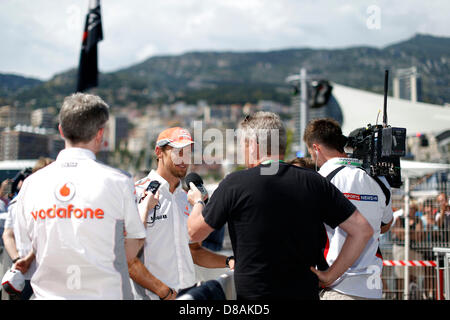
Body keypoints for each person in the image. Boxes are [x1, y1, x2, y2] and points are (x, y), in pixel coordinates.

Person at [187, 111, 374, 300]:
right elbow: (362, 230)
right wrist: (330, 276)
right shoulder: (315, 182)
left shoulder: (235, 184)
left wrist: (198, 202)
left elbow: (195, 232)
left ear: (253, 145)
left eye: (243, 145)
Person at [12, 93, 146, 299]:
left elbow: (25, 252)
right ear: (100, 134)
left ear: (61, 130)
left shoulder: (30, 185)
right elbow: (132, 247)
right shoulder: (119, 182)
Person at [129, 127, 234, 300]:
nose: (184, 159)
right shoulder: (137, 193)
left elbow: (195, 252)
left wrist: (229, 261)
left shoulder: (187, 199)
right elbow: (129, 258)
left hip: (188, 295)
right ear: (159, 152)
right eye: (178, 152)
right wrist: (164, 292)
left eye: (188, 152)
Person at [303, 118, 393, 300]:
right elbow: (385, 225)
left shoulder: (319, 181)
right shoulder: (380, 180)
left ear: (316, 148)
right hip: (372, 288)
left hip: (335, 288)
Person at [2, 157, 54, 300]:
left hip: (21, 273)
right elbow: (45, 233)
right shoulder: (51, 202)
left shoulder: (16, 201)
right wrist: (29, 259)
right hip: (45, 272)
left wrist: (17, 259)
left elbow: (7, 235)